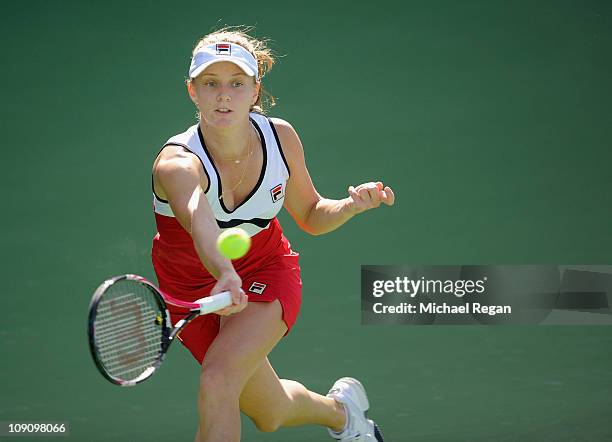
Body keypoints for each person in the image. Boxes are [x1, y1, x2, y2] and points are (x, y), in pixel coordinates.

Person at [151, 27, 395, 442]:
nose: (223, 95)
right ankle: (343, 415)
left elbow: (312, 215)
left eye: (236, 84)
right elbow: (198, 216)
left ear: (254, 91)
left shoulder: (280, 138)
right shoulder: (176, 165)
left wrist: (351, 205)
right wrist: (222, 271)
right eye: (210, 84)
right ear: (192, 91)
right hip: (193, 288)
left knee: (218, 380)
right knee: (270, 412)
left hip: (266, 267)